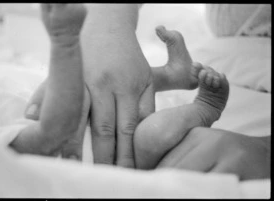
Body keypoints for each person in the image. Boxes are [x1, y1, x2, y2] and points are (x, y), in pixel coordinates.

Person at [17, 4, 270, 180]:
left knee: (150, 133)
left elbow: (51, 131)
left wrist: (266, 150)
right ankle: (191, 92)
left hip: (242, 66)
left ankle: (203, 103)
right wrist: (108, 20)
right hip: (231, 58)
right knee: (150, 134)